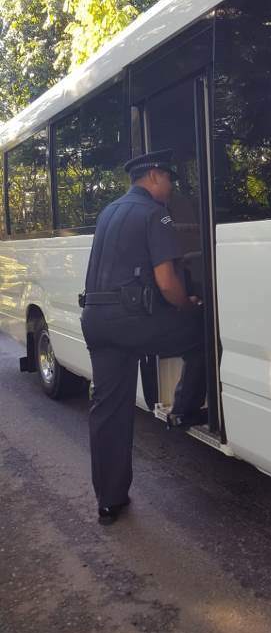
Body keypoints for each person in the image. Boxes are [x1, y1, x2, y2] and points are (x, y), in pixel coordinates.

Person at [80, 149, 206, 525]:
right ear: (153, 176)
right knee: (202, 334)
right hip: (131, 322)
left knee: (108, 409)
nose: (171, 187)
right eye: (169, 179)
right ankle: (184, 410)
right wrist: (187, 305)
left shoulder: (109, 211)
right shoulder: (155, 213)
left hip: (96, 320)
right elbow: (167, 283)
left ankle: (109, 501)